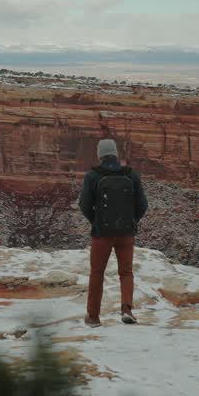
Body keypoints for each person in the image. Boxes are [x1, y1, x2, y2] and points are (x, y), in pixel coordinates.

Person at [77, 138, 149, 327]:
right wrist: (132, 222)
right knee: (126, 272)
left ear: (99, 155)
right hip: (126, 233)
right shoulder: (131, 175)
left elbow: (84, 205)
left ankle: (93, 317)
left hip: (102, 234)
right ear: (116, 154)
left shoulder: (93, 176)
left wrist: (96, 221)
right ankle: (127, 309)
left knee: (97, 272)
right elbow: (143, 205)